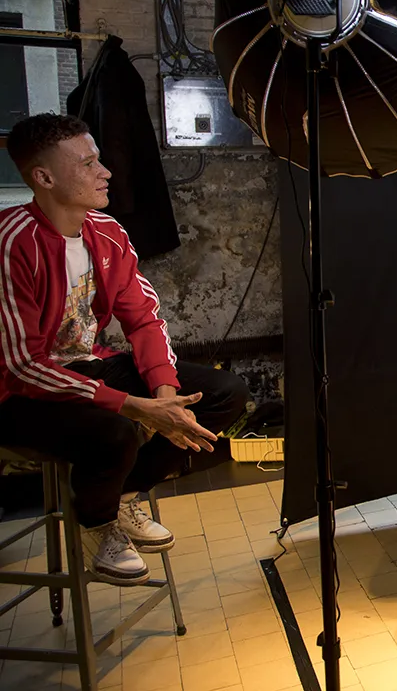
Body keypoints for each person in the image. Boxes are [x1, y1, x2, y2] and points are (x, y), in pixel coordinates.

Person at [0, 114, 251, 586]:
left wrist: (163, 394)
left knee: (223, 392)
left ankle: (125, 495)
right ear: (44, 177)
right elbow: (21, 366)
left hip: (88, 368)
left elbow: (144, 317)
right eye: (89, 162)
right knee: (117, 431)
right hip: (20, 395)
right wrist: (134, 407)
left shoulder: (107, 232)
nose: (106, 171)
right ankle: (97, 522)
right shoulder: (12, 242)